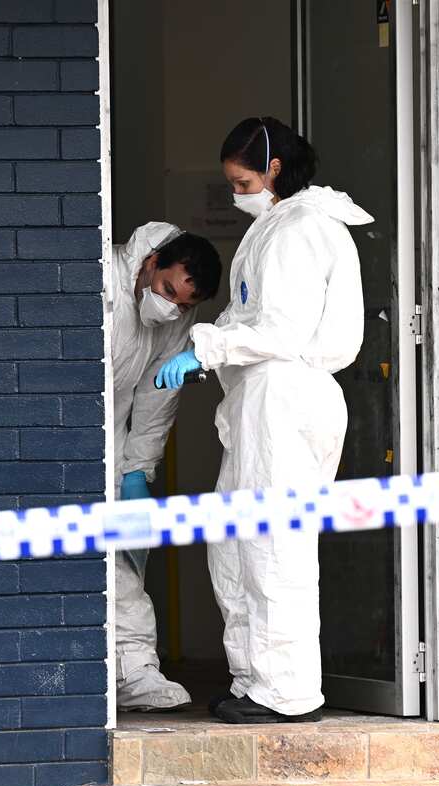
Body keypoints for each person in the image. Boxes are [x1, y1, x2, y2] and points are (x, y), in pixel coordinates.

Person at [155, 117, 373, 724]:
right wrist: (209, 345)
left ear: (274, 170)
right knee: (236, 546)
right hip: (263, 401)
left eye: (242, 179)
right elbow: (248, 316)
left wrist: (208, 349)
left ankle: (288, 693)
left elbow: (281, 330)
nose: (235, 191)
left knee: (274, 547)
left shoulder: (301, 229)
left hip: (285, 398)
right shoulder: (275, 226)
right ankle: (254, 681)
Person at [111, 222, 221, 711]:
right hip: (55, 434)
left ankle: (134, 673)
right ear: (151, 262)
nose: (169, 306)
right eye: (165, 290)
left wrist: (137, 470)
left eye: (182, 303)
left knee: (124, 560)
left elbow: (157, 397)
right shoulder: (101, 278)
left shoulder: (173, 320)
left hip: (112, 438)